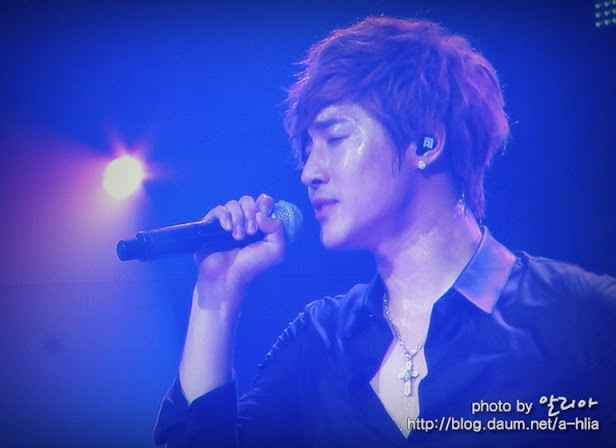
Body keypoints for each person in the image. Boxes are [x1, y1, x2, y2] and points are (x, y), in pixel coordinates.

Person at [153, 16, 616, 448]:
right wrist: (217, 293)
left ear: (427, 143)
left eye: (335, 138)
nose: (309, 172)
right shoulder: (319, 342)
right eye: (307, 149)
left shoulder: (583, 318)